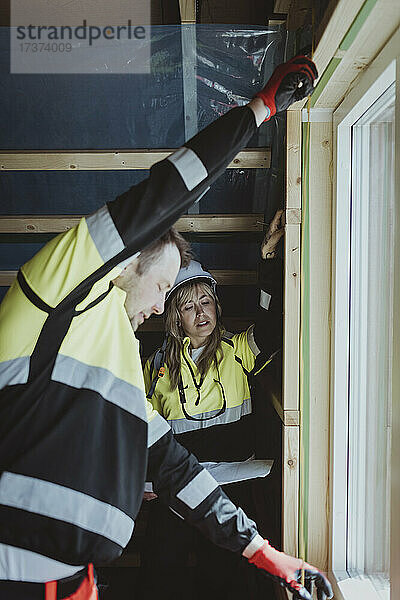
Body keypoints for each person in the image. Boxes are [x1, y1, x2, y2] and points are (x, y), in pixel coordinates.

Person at [0, 56, 332, 600]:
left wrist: (266, 554)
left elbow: (176, 468)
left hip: (74, 582)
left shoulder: (121, 358)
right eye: (164, 290)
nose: (162, 309)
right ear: (128, 261)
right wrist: (259, 110)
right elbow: (165, 190)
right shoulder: (57, 290)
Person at [141, 209, 284, 599]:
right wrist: (142, 479)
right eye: (190, 306)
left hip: (231, 485)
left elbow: (271, 324)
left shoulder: (238, 350)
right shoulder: (155, 367)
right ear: (175, 318)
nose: (201, 312)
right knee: (159, 570)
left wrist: (267, 261)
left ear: (217, 306)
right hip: (176, 488)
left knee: (223, 579)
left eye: (206, 301)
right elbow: (135, 428)